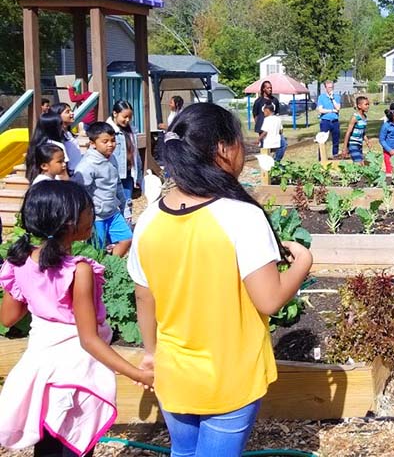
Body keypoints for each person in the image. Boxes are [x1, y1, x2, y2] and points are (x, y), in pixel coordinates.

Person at [127, 103, 312, 456]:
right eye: (240, 141)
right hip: (230, 375)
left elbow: (143, 296)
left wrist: (151, 354)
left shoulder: (149, 219)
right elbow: (269, 300)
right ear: (224, 150)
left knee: (183, 452)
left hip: (174, 372)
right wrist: (302, 262)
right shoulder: (242, 216)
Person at [0, 181, 153, 457]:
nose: (92, 216)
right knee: (75, 443)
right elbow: (89, 340)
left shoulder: (19, 262)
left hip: (41, 372)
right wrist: (138, 374)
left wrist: (36, 292)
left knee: (47, 446)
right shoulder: (78, 271)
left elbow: (8, 317)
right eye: (87, 211)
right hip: (76, 374)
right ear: (69, 222)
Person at [72, 122, 132, 257]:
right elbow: (78, 192)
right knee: (97, 250)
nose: (110, 144)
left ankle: (110, 266)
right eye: (105, 141)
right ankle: (100, 271)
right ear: (93, 143)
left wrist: (125, 207)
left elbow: (117, 185)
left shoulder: (112, 158)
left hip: (112, 212)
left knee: (127, 238)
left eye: (113, 140)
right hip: (96, 217)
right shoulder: (87, 165)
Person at [107, 100, 142, 203]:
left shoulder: (131, 131)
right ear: (115, 114)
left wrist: (138, 175)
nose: (127, 120)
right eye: (124, 117)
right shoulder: (108, 131)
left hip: (128, 174)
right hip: (114, 175)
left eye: (130, 117)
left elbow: (136, 154)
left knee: (127, 203)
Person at [24, 111, 70, 182]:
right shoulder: (57, 147)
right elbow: (63, 173)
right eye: (60, 124)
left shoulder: (34, 145)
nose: (63, 126)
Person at [252, 81, 287, 160]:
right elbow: (255, 114)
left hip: (274, 128)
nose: (270, 89)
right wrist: (259, 126)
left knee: (283, 144)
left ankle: (275, 162)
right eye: (268, 88)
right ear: (263, 89)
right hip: (263, 128)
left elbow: (277, 113)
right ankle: (266, 166)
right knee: (265, 148)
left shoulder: (275, 100)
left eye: (271, 88)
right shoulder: (258, 101)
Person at [51, 102, 84, 173]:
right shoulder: (56, 136)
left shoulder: (68, 133)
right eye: (67, 112)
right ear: (58, 115)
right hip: (68, 172)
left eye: (71, 111)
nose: (72, 113)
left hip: (77, 170)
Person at [343, 96, 370, 163]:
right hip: (353, 144)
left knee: (360, 163)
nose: (368, 106)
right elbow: (348, 133)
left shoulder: (365, 117)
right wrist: (344, 148)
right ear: (359, 106)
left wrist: (367, 141)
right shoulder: (355, 117)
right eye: (366, 104)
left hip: (359, 144)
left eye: (368, 104)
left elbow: (362, 131)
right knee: (359, 162)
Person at [317, 81, 342, 156]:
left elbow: (338, 108)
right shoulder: (321, 97)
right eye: (329, 87)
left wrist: (332, 99)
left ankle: (335, 155)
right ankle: (321, 158)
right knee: (322, 140)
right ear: (325, 88)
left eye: (332, 87)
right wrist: (331, 110)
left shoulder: (337, 97)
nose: (330, 89)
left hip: (335, 121)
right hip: (325, 121)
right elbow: (320, 110)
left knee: (336, 140)